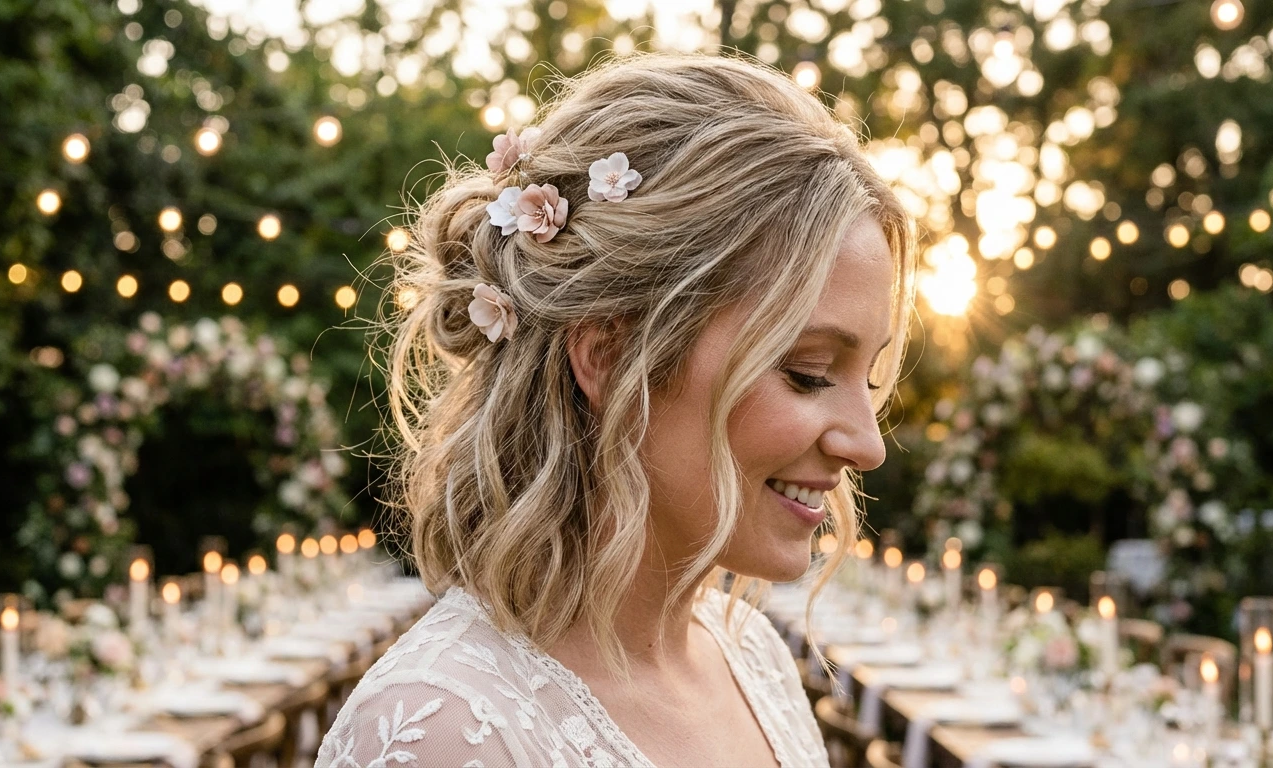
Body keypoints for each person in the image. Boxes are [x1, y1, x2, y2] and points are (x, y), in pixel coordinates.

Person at [317, 50, 916, 768]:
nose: (868, 445)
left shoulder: (752, 660)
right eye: (809, 373)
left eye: (868, 376)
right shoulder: (444, 731)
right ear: (607, 356)